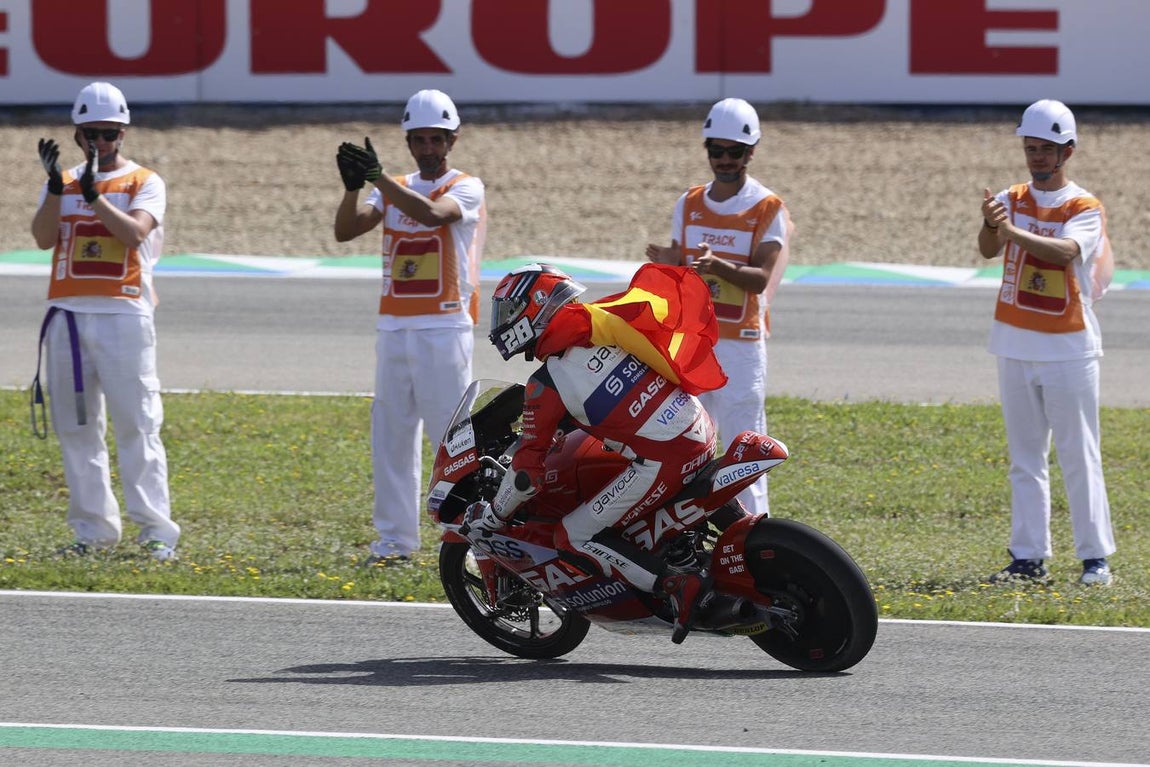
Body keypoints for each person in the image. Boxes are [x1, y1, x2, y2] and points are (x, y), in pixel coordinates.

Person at [464, 262, 730, 643]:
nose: (502, 323)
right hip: (700, 428)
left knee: (571, 537)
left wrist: (493, 515)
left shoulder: (548, 382)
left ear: (534, 309)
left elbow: (525, 478)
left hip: (665, 459)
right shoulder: (602, 325)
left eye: (508, 312)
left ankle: (675, 585)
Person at [333, 89, 485, 567]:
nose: (427, 148)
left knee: (451, 440)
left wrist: (378, 178)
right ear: (409, 141)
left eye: (436, 139)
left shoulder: (466, 187)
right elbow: (345, 230)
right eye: (419, 139)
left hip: (444, 327)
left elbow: (433, 215)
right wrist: (353, 187)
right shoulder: (391, 187)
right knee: (392, 440)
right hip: (394, 327)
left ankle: (466, 540)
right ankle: (394, 543)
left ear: (452, 140)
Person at [29, 81, 180, 562]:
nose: (100, 142)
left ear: (123, 133)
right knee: (77, 428)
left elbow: (135, 234)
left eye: (109, 133)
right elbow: (42, 238)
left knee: (138, 424)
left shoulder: (145, 181)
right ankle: (93, 531)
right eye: (91, 133)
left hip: (124, 315)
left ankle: (156, 531)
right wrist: (57, 192)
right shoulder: (62, 181)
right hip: (68, 317)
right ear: (77, 134)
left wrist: (95, 197)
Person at [979, 99, 1117, 586]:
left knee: (1079, 455)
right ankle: (1028, 557)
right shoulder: (1011, 197)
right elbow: (987, 249)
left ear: (1067, 152)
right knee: (1025, 459)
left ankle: (1095, 558)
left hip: (1069, 348)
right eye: (1030, 148)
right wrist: (991, 224)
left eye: (1045, 149)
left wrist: (1009, 229)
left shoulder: (1084, 207)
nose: (1036, 157)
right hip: (1014, 342)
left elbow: (1064, 253)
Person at [645, 97, 791, 518]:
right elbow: (681, 263)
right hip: (693, 342)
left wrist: (717, 266)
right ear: (707, 149)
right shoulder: (689, 202)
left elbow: (761, 278)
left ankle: (755, 532)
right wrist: (669, 261)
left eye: (735, 151)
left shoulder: (768, 207)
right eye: (717, 150)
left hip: (741, 347)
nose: (725, 160)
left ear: (751, 151)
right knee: (690, 444)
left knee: (746, 445)